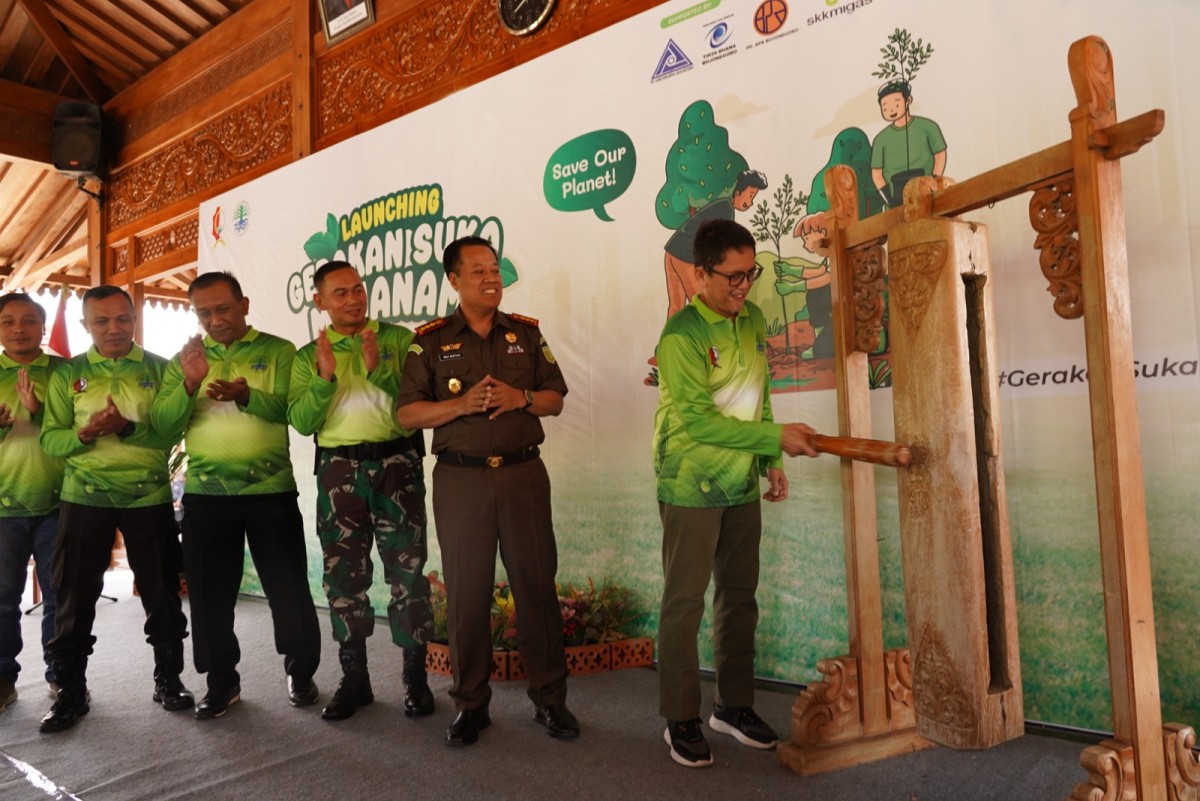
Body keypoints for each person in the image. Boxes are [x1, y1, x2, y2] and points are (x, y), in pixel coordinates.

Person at [396, 235, 579, 748]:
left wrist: (522, 397)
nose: (490, 278)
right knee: (468, 596)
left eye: (494, 269)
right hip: (461, 480)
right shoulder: (429, 341)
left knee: (536, 587)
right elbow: (408, 413)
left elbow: (555, 400)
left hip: (523, 477)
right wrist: (462, 405)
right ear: (454, 280)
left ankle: (550, 701)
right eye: (477, 271)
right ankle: (471, 706)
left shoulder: (525, 334)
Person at [652, 219, 819, 768]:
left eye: (751, 274)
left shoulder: (750, 320)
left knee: (739, 597)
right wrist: (775, 438)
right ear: (700, 274)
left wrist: (768, 459)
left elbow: (759, 393)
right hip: (690, 485)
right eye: (733, 276)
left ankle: (733, 705)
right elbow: (699, 423)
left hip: (741, 483)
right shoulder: (682, 335)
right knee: (684, 603)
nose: (744, 286)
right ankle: (680, 717)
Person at [150, 272, 322, 720]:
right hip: (207, 495)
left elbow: (294, 412)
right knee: (209, 596)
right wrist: (188, 386)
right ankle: (221, 682)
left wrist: (249, 396)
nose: (215, 319)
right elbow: (164, 428)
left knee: (288, 589)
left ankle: (301, 671)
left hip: (271, 491)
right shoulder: (184, 359)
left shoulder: (279, 351)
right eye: (204, 312)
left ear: (244, 304)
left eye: (222, 309)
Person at [38, 285, 192, 733]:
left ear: (133, 319)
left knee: (162, 591)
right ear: (86, 325)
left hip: (148, 497)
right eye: (101, 321)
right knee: (72, 597)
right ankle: (70, 691)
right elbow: (51, 439)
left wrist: (124, 427)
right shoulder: (68, 374)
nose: (114, 328)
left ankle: (169, 680)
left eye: (122, 319)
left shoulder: (162, 369)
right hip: (83, 496)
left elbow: (168, 433)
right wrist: (85, 434)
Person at [287, 260, 433, 722]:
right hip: (338, 472)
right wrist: (324, 377)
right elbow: (304, 422)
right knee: (345, 578)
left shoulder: (398, 340)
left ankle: (415, 679)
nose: (353, 300)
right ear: (320, 301)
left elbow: (419, 403)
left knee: (407, 574)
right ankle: (356, 680)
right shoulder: (306, 355)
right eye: (340, 293)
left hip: (397, 466)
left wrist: (378, 370)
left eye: (358, 290)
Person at [0, 293, 65, 715]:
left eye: (28, 321)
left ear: (43, 327)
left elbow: (82, 429)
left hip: (61, 502)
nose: (18, 328)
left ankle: (62, 677)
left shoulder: (67, 371)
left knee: (61, 596)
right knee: (2, 598)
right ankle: (4, 680)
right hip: (3, 508)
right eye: (7, 322)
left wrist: (40, 411)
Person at [661, 169, 767, 321]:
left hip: (671, 252)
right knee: (705, 310)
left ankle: (667, 344)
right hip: (685, 257)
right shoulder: (726, 209)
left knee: (676, 310)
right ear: (738, 191)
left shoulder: (722, 205)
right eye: (750, 196)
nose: (750, 202)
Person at [870, 79, 947, 207]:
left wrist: (933, 182)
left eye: (896, 104)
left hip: (927, 195)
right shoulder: (880, 140)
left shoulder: (929, 127)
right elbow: (876, 174)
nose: (891, 110)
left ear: (908, 100)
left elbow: (940, 155)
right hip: (896, 200)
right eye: (885, 107)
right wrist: (889, 199)